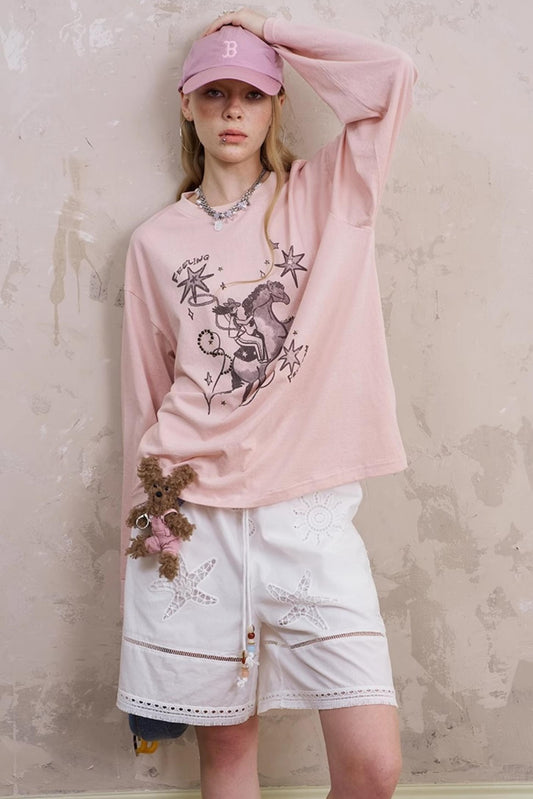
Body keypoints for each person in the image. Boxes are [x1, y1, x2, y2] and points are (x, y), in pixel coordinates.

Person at [116, 7, 417, 799]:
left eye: (251, 93)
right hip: (193, 516)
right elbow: (145, 398)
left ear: (276, 103)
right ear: (187, 104)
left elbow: (390, 78)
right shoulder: (154, 243)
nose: (232, 110)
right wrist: (139, 538)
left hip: (306, 512)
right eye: (214, 92)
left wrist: (266, 29)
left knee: (372, 768)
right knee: (227, 754)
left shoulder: (329, 194)